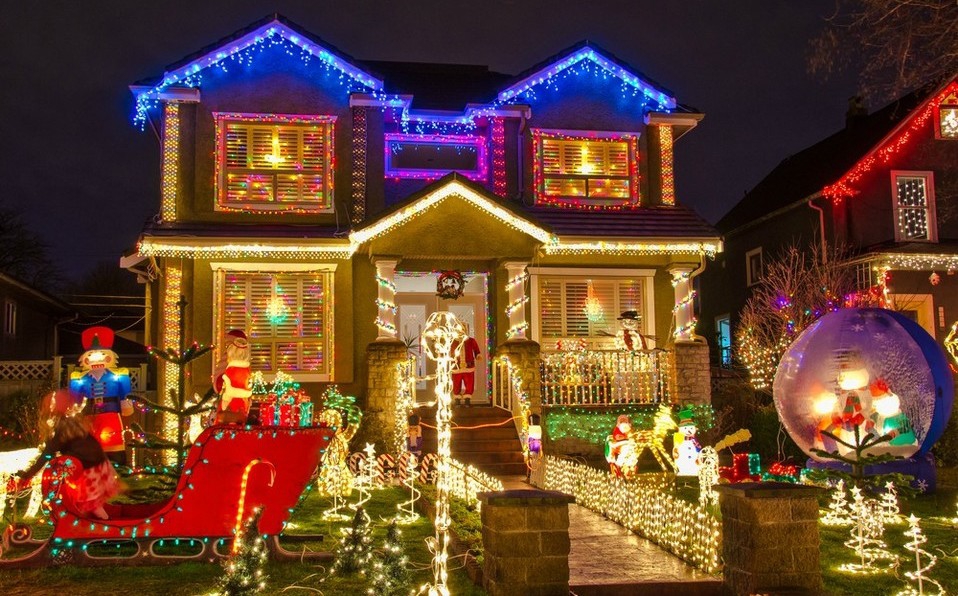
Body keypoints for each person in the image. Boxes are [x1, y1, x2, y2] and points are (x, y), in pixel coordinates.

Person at [15, 392, 120, 520]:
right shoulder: (71, 421)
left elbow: (48, 453)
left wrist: (28, 475)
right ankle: (93, 525)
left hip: (86, 468)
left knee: (88, 504)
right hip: (98, 463)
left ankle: (105, 526)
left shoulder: (58, 427)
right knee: (83, 503)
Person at [69, 326, 133, 465]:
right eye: (91, 355)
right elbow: (75, 398)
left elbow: (124, 392)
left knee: (113, 443)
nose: (97, 359)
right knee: (90, 444)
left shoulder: (118, 375)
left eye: (102, 354)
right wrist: (74, 407)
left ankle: (117, 466)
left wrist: (125, 403)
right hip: (89, 416)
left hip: (111, 414)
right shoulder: (80, 378)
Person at [213, 329, 253, 424]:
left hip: (230, 406)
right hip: (242, 405)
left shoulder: (232, 368)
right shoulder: (246, 369)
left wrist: (226, 391)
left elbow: (220, 385)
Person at [451, 329, 481, 407]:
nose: (461, 331)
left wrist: (478, 355)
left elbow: (476, 350)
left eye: (463, 329)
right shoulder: (452, 341)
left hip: (469, 366)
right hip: (456, 367)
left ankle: (467, 400)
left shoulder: (471, 340)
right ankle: (457, 400)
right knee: (456, 383)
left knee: (469, 383)